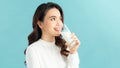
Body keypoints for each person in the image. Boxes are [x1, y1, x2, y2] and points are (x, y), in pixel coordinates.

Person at [24, 2, 80, 68]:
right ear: (40, 24)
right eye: (53, 19)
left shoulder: (64, 47)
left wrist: (73, 52)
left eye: (60, 19)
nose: (59, 23)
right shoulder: (33, 50)